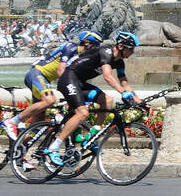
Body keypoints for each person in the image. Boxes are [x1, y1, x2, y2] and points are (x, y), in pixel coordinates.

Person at [46, 31, 141, 166]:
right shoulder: (106, 52)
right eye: (131, 49)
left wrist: (138, 100)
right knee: (83, 113)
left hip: (80, 84)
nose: (132, 52)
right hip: (68, 79)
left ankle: (89, 139)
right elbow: (107, 76)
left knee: (107, 101)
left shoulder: (119, 62)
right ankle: (53, 147)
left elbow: (124, 82)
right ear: (121, 46)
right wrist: (122, 93)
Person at [4, 30, 103, 138]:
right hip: (37, 73)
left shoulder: (80, 57)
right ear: (87, 43)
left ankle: (18, 150)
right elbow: (60, 71)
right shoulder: (71, 47)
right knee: (49, 100)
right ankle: (13, 121)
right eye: (96, 45)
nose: (97, 49)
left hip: (45, 79)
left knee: (37, 126)